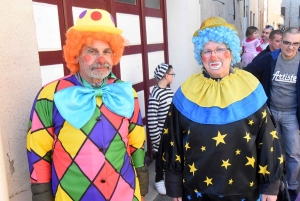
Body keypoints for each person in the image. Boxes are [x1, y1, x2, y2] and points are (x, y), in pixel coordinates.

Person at [26, 9, 148, 201]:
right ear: (76, 55)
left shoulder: (126, 93)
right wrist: (42, 196)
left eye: (107, 51)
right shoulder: (50, 96)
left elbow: (137, 141)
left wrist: (142, 180)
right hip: (72, 195)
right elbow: (38, 151)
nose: (101, 59)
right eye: (92, 51)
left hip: (124, 192)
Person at [158, 16, 283, 201]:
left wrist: (271, 186)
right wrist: (174, 185)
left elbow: (268, 139)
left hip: (245, 190)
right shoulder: (186, 91)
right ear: (200, 56)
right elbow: (172, 140)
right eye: (207, 51)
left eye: (220, 49)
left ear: (231, 52)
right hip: (196, 190)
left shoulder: (250, 86)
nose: (214, 56)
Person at [244, 27, 300, 201]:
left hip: (292, 115)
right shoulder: (269, 58)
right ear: (281, 42)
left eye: (295, 43)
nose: (290, 47)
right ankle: (271, 184)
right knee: (271, 151)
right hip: (271, 113)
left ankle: (291, 186)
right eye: (287, 42)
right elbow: (248, 72)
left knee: (293, 154)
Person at [147, 63, 174, 195]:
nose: (173, 76)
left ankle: (169, 179)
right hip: (160, 135)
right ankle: (159, 180)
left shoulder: (169, 91)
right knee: (160, 159)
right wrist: (156, 139)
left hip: (170, 133)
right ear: (165, 75)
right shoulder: (155, 94)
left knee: (170, 156)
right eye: (172, 74)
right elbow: (151, 118)